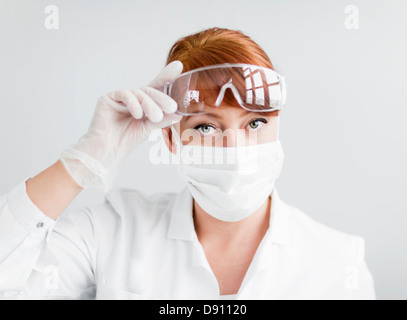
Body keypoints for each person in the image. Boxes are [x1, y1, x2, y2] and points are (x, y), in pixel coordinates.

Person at [0, 27, 376, 300]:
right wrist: (83, 161)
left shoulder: (337, 262)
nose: (235, 148)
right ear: (170, 138)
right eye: (207, 126)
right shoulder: (112, 232)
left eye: (255, 123)